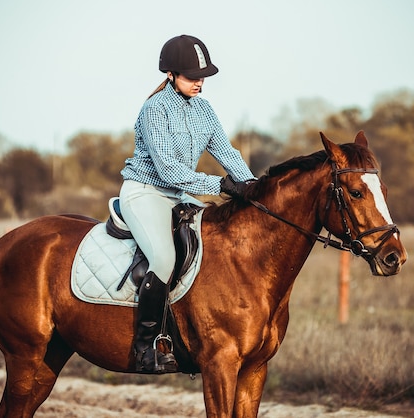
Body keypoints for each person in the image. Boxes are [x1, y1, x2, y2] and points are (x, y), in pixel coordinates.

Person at [119, 34, 256, 373]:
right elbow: (168, 170)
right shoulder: (154, 109)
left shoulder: (204, 110)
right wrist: (220, 185)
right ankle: (145, 347)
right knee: (164, 258)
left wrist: (252, 186)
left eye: (202, 76)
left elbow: (226, 152)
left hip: (179, 197)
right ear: (170, 75)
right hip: (145, 193)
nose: (199, 82)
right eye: (192, 76)